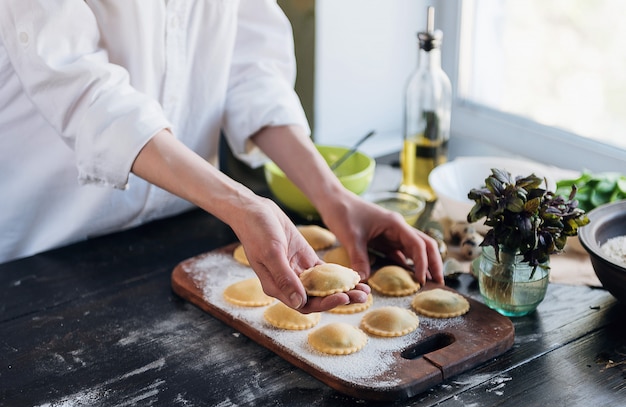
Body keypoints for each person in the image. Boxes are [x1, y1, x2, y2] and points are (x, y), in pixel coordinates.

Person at [0, 0, 443, 313]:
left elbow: (249, 67)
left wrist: (333, 197)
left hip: (181, 229)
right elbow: (84, 89)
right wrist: (242, 203)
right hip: (44, 251)